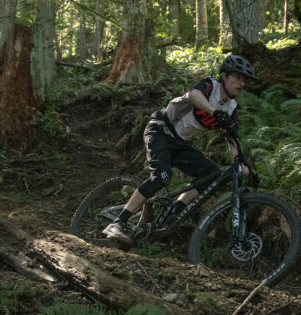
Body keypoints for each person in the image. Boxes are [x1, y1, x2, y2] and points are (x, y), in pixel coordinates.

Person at [102, 54, 259, 244]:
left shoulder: (231, 108)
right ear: (224, 76)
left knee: (211, 173)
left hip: (181, 143)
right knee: (162, 177)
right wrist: (214, 112)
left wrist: (246, 171)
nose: (242, 84)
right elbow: (194, 95)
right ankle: (119, 221)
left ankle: (174, 210)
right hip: (160, 129)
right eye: (238, 78)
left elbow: (233, 145)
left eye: (244, 80)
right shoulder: (210, 85)